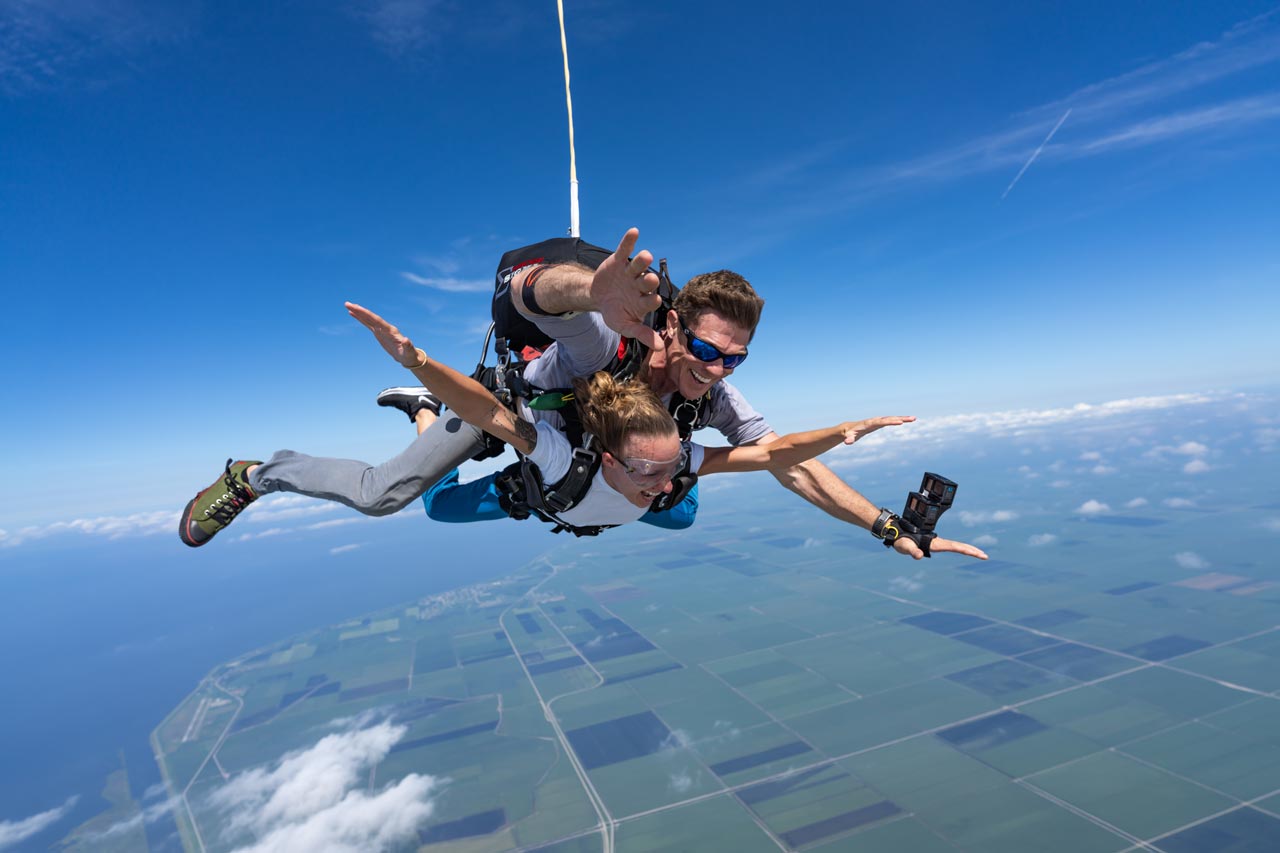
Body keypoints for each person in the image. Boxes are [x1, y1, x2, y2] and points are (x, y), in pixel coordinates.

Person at [346, 303, 913, 534]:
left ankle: (649, 477)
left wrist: (883, 524)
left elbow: (782, 459)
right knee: (439, 506)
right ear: (673, 326)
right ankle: (423, 411)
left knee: (681, 512)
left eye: (735, 359)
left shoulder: (715, 398)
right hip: (546, 462)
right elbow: (552, 313)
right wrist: (420, 366)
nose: (718, 370)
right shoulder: (605, 349)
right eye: (707, 350)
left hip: (621, 475)